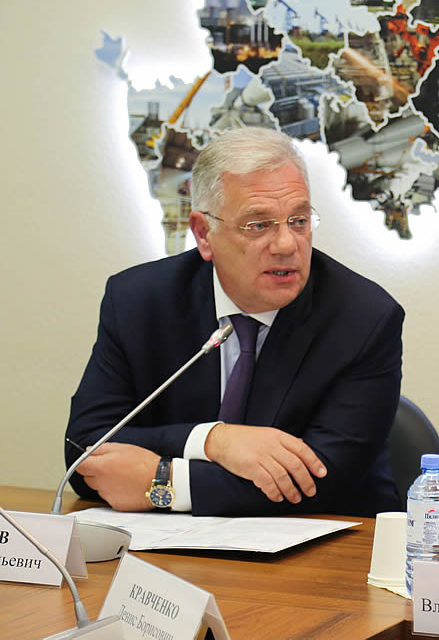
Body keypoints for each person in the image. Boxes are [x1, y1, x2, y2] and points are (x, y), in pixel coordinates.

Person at [65, 127, 404, 517]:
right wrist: (213, 440)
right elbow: (85, 453)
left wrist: (165, 482)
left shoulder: (364, 318)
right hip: (171, 545)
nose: (287, 245)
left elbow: (324, 480)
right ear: (203, 234)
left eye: (298, 221)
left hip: (329, 545)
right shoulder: (139, 302)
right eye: (258, 225)